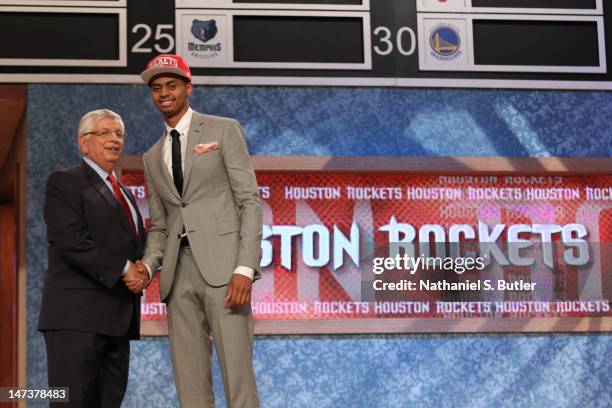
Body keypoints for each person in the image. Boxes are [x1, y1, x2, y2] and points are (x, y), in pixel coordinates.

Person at [137, 54, 262, 407]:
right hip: (177, 276)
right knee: (189, 384)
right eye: (157, 88)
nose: (164, 93)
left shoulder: (223, 129)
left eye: (171, 86)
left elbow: (249, 201)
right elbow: (160, 225)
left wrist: (244, 267)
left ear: (188, 88)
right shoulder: (151, 156)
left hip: (225, 271)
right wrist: (148, 266)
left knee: (238, 378)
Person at [38, 109, 148, 407]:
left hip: (119, 321)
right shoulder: (64, 182)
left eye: (119, 134)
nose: (114, 139)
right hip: (77, 320)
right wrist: (125, 269)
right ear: (83, 143)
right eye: (104, 133)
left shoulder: (123, 191)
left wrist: (146, 268)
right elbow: (70, 241)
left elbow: (135, 245)